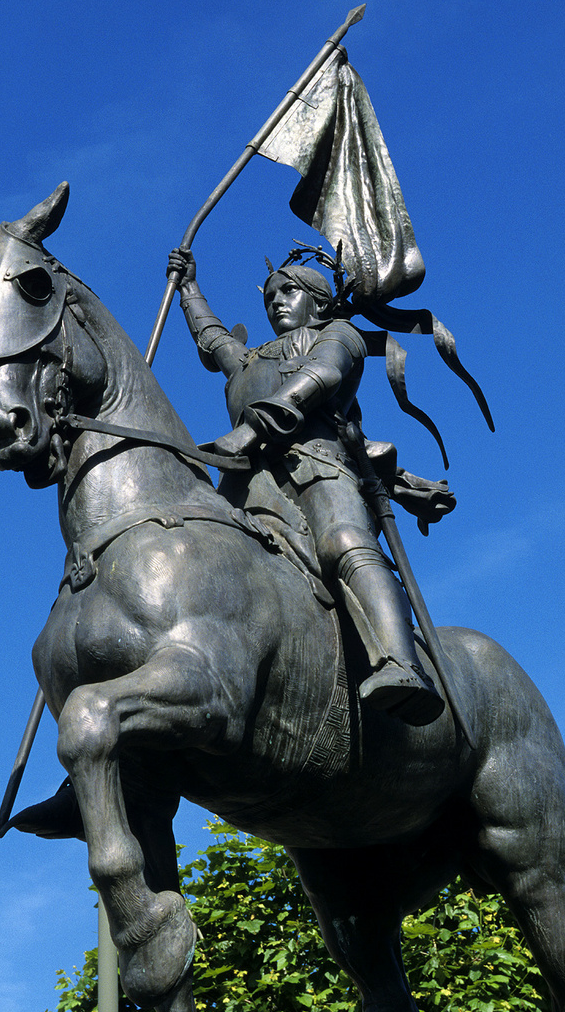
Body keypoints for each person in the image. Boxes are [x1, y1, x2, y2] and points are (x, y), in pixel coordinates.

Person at [168, 247, 448, 726]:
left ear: (318, 301)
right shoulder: (248, 359)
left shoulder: (340, 334)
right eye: (270, 296)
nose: (276, 301)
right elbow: (213, 338)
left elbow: (324, 375)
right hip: (243, 482)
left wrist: (254, 428)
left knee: (344, 542)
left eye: (289, 291)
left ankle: (402, 663)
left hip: (317, 467)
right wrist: (189, 288)